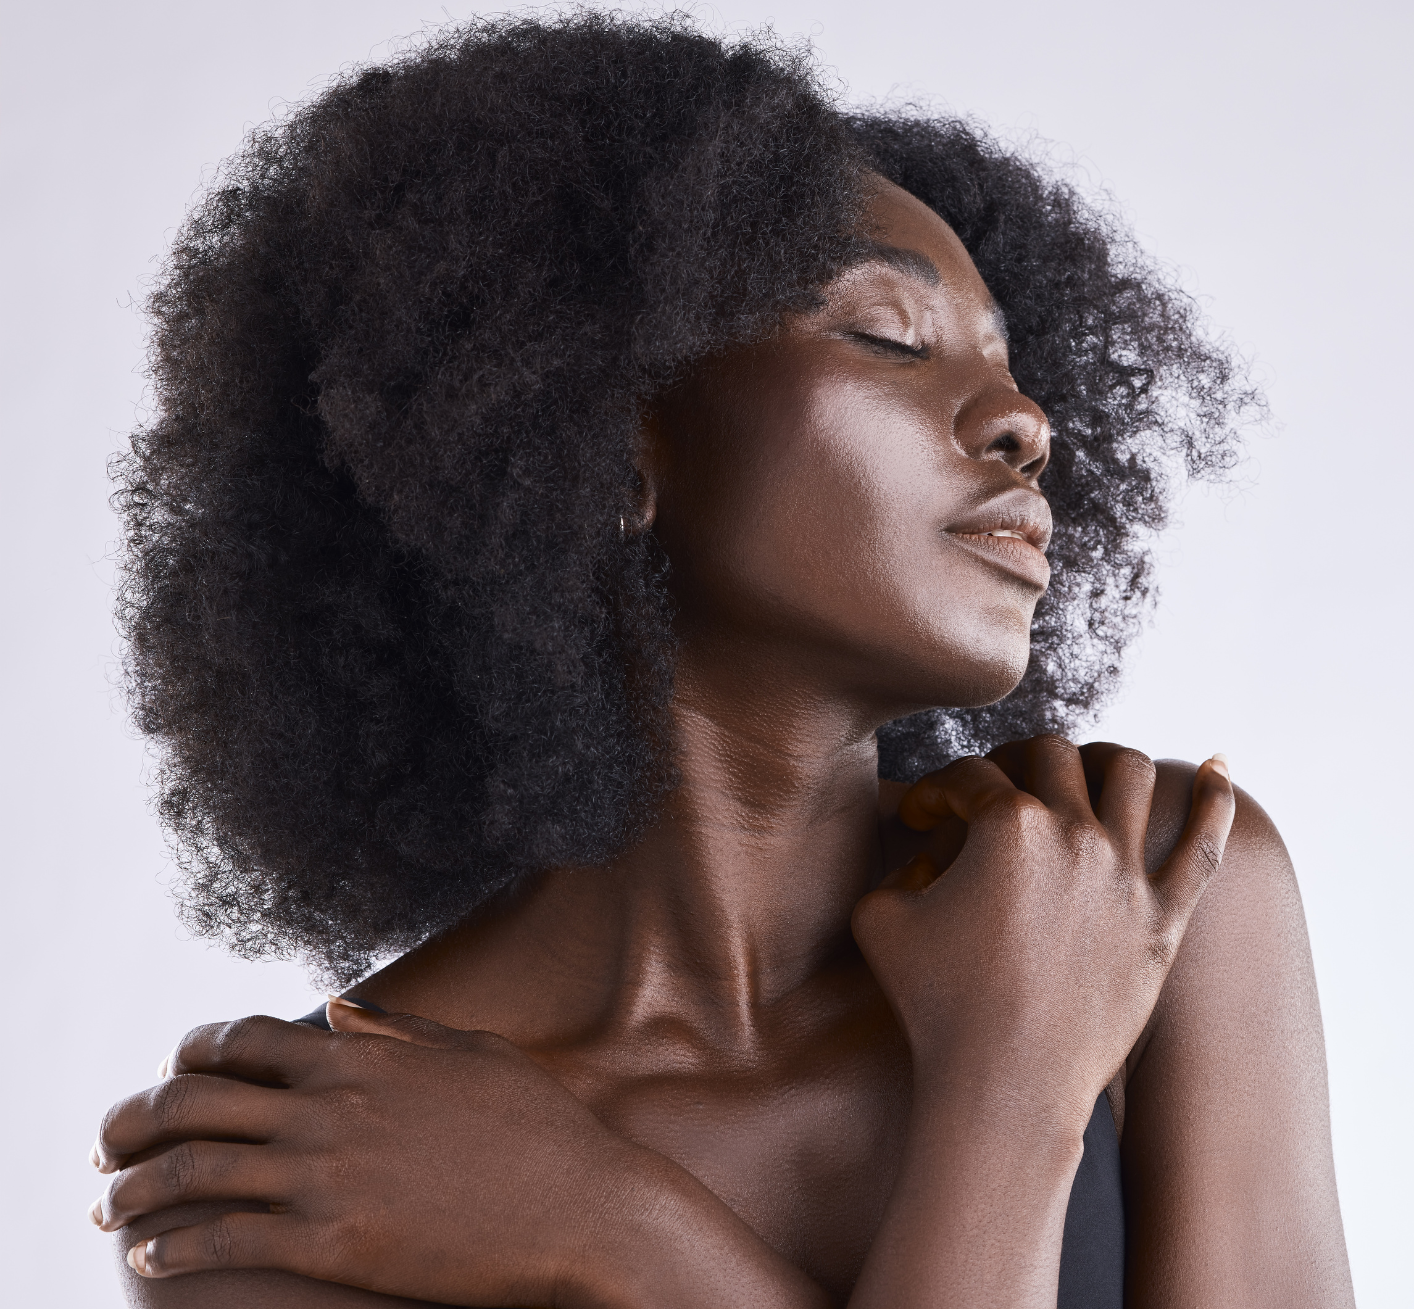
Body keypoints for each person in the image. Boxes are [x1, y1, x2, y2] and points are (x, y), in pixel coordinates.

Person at [89, 13, 1353, 1307]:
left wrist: (627, 1235)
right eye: (886, 334)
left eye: (1014, 367)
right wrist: (1018, 1083)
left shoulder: (1155, 882)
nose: (1024, 425)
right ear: (596, 438)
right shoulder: (300, 1161)